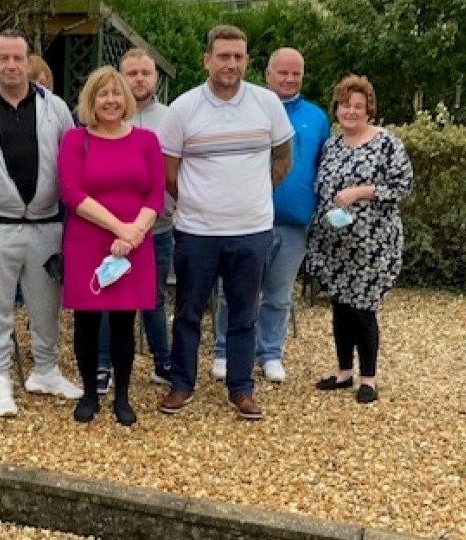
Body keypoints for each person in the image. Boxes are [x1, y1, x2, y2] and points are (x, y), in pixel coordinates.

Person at [157, 25, 293, 420]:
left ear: (247, 61)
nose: (230, 64)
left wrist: (255, 192)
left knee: (243, 312)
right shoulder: (183, 108)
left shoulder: (267, 104)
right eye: (223, 56)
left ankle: (241, 389)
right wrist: (198, 202)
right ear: (207, 60)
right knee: (187, 311)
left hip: (251, 230)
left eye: (238, 56)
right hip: (198, 231)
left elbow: (283, 157)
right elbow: (169, 172)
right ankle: (181, 384)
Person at [0, 29, 82, 418]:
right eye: (3, 58)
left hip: (46, 226)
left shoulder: (55, 107)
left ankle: (45, 370)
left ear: (29, 62)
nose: (11, 65)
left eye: (18, 58)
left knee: (47, 304)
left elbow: (70, 159)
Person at [212, 47, 330, 383]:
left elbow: (323, 165)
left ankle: (270, 353)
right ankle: (224, 350)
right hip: (244, 220)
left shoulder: (316, 117)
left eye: (296, 73)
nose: (290, 79)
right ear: (267, 73)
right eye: (283, 72)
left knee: (279, 295)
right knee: (231, 291)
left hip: (292, 224)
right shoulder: (248, 108)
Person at [58, 65, 164, 425]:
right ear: (91, 99)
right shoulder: (75, 139)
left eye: (116, 93)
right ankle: (90, 392)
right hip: (89, 241)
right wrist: (121, 229)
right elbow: (71, 192)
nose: (111, 100)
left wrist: (134, 233)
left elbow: (155, 193)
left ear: (127, 99)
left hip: (135, 244)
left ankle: (122, 396)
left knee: (123, 322)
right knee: (86, 322)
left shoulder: (146, 140)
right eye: (103, 94)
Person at [308, 74, 413, 404]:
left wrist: (360, 192)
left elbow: (402, 187)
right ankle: (343, 372)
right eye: (344, 105)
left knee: (363, 310)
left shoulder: (387, 143)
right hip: (336, 243)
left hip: (373, 243)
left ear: (369, 109)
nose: (350, 111)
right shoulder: (332, 145)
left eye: (358, 106)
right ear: (336, 109)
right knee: (340, 306)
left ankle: (368, 378)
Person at [96, 48, 172, 395]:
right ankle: (103, 363)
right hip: (107, 230)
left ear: (156, 77)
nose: (139, 78)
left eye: (146, 72)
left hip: (156, 227)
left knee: (154, 297)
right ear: (121, 77)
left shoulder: (171, 118)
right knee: (109, 295)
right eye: (132, 73)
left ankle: (162, 362)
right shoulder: (97, 121)